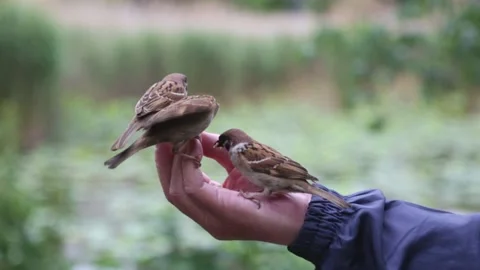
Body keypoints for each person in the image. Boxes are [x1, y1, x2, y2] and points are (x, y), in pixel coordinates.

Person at [155, 132, 480, 270]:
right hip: (304, 193)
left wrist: (265, 196)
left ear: (230, 144)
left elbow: (278, 169)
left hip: (290, 180)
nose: (224, 150)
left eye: (225, 145)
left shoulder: (247, 154)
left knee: (275, 189)